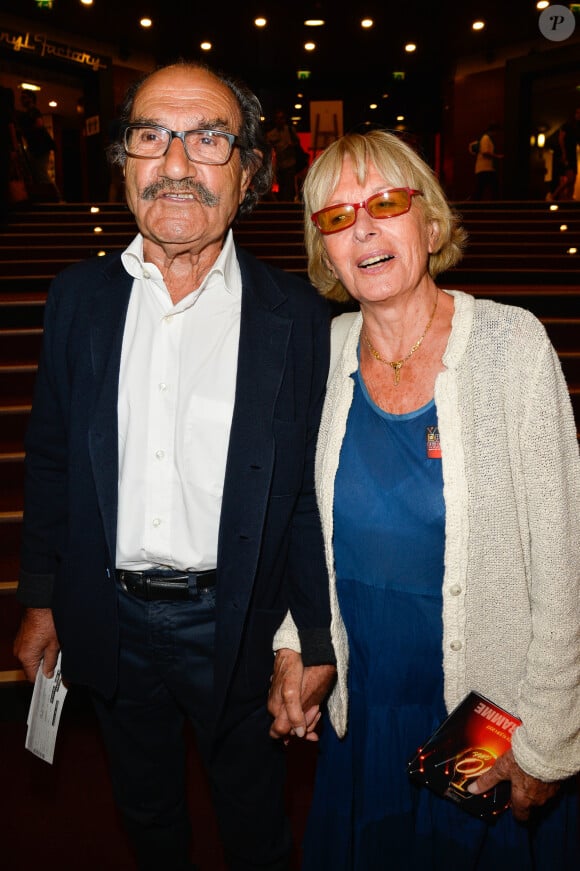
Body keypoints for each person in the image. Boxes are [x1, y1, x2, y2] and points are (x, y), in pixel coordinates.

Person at [13, 60, 336, 871]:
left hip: (236, 622)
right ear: (123, 160)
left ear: (251, 170)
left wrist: (311, 635)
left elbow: (303, 495)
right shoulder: (76, 299)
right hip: (109, 616)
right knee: (145, 811)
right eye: (153, 136)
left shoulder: (297, 317)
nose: (179, 164)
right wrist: (43, 600)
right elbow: (51, 459)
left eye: (210, 138)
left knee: (256, 822)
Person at [269, 129, 580, 869]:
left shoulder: (512, 345)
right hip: (365, 704)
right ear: (325, 250)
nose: (365, 229)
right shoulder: (327, 348)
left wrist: (548, 739)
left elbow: (564, 562)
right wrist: (293, 643)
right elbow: (302, 525)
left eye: (385, 202)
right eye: (338, 217)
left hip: (488, 713)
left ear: (430, 224)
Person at [17, 89, 61, 201]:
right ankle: (53, 197)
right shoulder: (31, 112)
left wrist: (25, 131)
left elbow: (39, 124)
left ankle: (56, 198)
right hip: (38, 147)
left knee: (41, 173)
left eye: (24, 97)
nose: (22, 100)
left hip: (39, 147)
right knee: (39, 173)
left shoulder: (33, 111)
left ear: (31, 99)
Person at [266, 110, 301, 201]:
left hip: (290, 163)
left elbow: (297, 143)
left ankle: (288, 203)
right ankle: (283, 205)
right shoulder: (271, 134)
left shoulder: (290, 130)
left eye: (281, 118)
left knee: (289, 187)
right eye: (278, 118)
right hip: (280, 164)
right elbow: (268, 146)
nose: (279, 120)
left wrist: (291, 145)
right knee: (281, 187)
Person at [547, 108, 580, 201]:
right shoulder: (566, 125)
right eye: (577, 113)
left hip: (573, 154)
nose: (579, 115)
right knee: (569, 179)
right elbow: (561, 138)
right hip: (567, 153)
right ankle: (553, 195)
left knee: (573, 180)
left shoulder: (577, 127)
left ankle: (569, 199)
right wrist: (563, 152)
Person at [473, 121, 503, 200]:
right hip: (485, 167)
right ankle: (495, 202)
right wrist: (497, 156)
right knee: (491, 185)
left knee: (481, 187)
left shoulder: (486, 138)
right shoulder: (486, 138)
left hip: (485, 167)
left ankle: (476, 202)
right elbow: (485, 152)